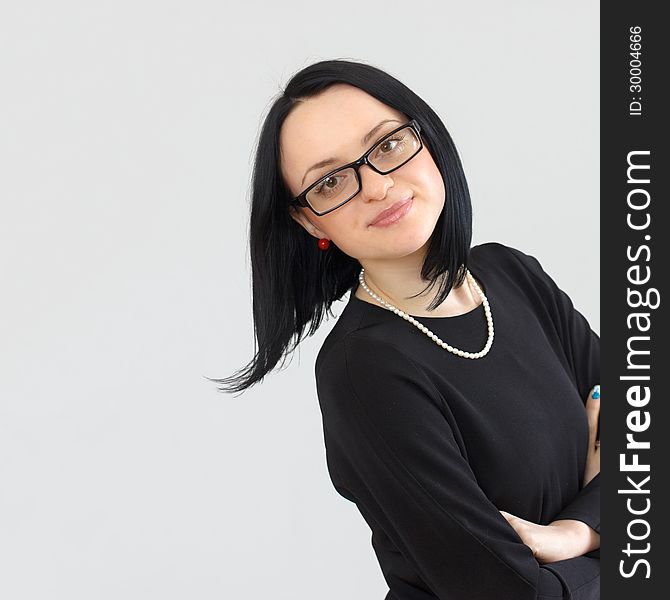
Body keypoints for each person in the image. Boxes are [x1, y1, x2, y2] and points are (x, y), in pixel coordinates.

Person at [212, 59, 601, 599]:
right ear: (309, 221)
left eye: (388, 145)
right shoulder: (364, 369)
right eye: (329, 181)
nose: (375, 185)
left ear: (427, 138)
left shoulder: (513, 275)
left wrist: (575, 532)